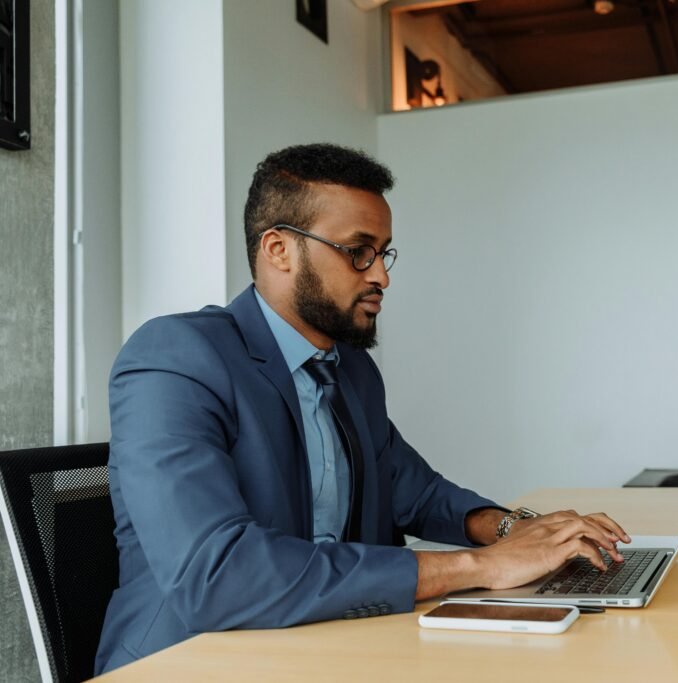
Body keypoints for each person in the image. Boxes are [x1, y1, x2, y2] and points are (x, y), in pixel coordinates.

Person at [96, 144, 630, 674]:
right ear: (279, 249)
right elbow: (218, 576)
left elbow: (416, 493)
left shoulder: (350, 368)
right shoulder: (176, 359)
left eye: (383, 253)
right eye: (358, 251)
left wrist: (519, 532)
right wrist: (482, 566)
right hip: (190, 662)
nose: (381, 276)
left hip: (327, 648)